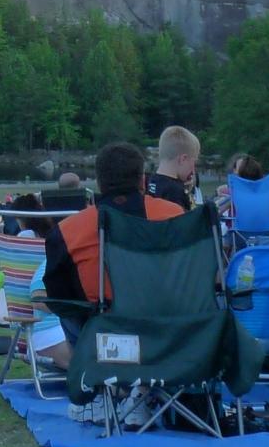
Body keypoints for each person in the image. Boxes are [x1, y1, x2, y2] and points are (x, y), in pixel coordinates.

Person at [39, 143, 187, 368]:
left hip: (107, 342)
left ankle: (95, 385)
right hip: (170, 334)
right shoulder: (176, 216)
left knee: (70, 312)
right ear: (142, 181)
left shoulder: (68, 232)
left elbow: (59, 297)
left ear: (98, 182)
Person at [147, 125, 201, 208]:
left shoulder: (148, 183)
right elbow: (189, 220)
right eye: (194, 162)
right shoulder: (176, 192)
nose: (193, 170)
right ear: (183, 159)